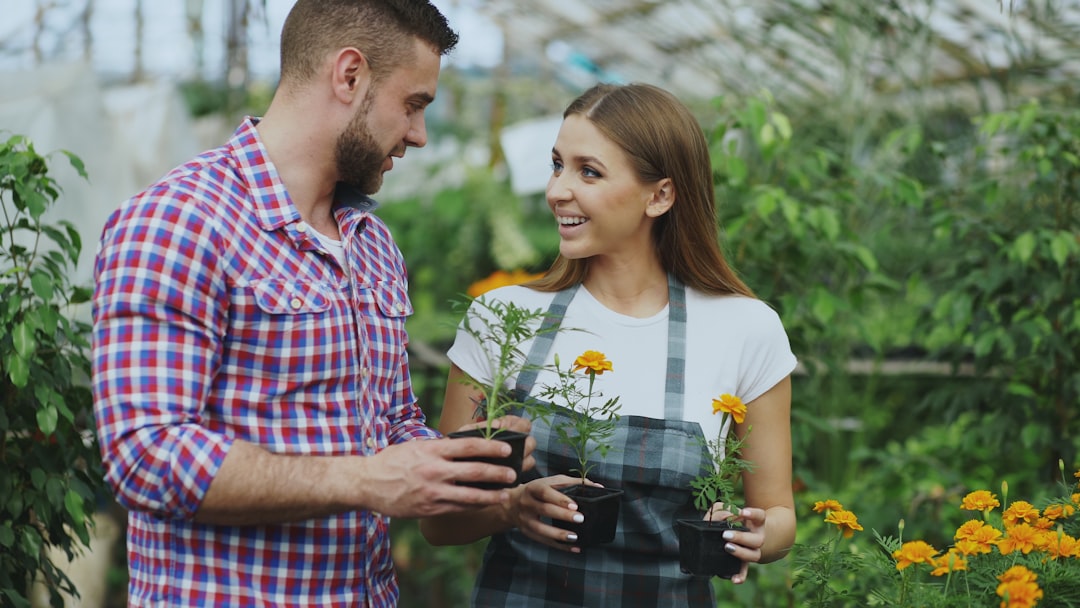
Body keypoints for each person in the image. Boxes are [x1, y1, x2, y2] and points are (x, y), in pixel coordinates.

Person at [90, 1, 524, 605]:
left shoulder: (372, 243)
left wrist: (470, 464)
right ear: (350, 75)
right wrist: (364, 480)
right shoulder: (179, 220)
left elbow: (392, 423)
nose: (419, 134)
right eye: (413, 104)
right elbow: (146, 456)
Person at [419, 82, 798, 606]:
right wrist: (511, 508)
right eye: (557, 165)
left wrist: (753, 533)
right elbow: (438, 523)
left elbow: (779, 516)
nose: (557, 190)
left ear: (660, 195)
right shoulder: (502, 319)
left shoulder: (745, 328)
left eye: (588, 172)